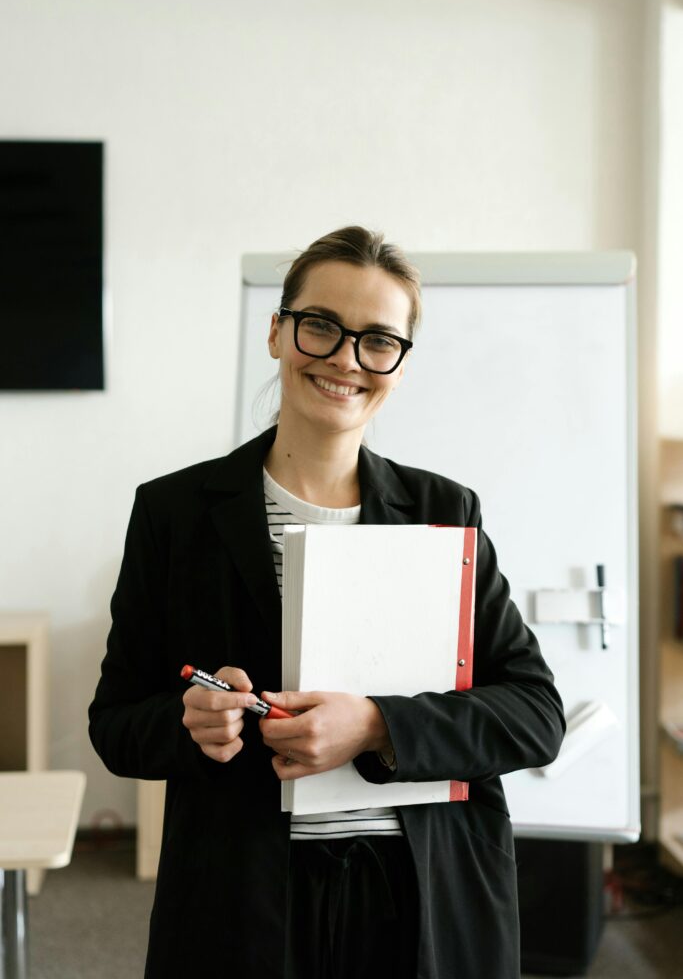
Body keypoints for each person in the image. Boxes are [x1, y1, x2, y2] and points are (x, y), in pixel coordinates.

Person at [89, 225, 565, 979]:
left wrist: (377, 724)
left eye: (377, 340)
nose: (345, 357)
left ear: (399, 367)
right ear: (278, 333)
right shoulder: (174, 512)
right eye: (321, 326)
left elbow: (534, 716)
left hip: (422, 892)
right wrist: (190, 723)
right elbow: (116, 725)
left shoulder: (444, 511)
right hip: (241, 894)